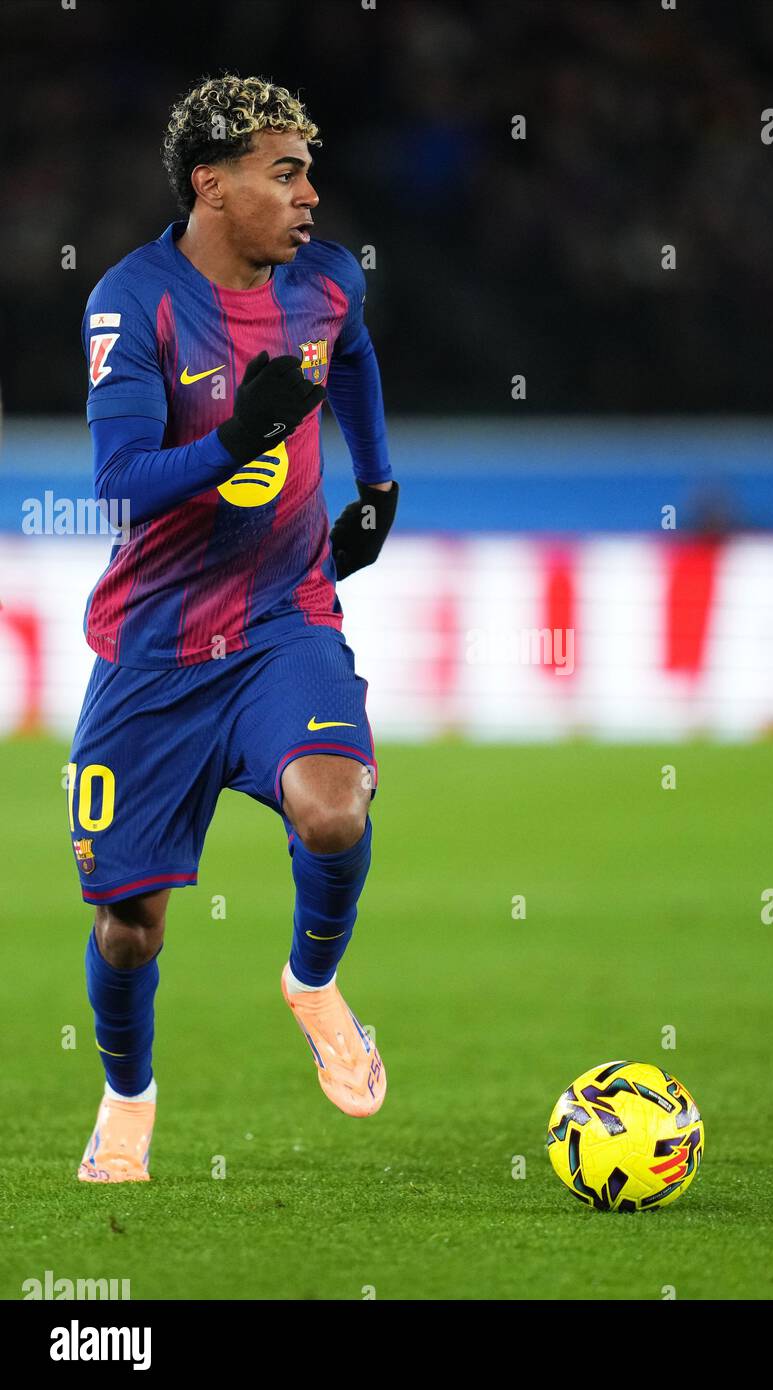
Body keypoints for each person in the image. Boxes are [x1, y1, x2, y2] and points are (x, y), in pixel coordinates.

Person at [70, 73, 398, 1182]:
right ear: (212, 185)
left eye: (309, 171)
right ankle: (127, 1094)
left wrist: (378, 481)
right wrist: (234, 440)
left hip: (280, 615)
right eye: (285, 173)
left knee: (333, 811)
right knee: (131, 929)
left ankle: (311, 981)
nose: (311, 195)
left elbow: (350, 357)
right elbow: (120, 481)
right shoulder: (135, 301)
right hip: (154, 646)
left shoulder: (326, 282)